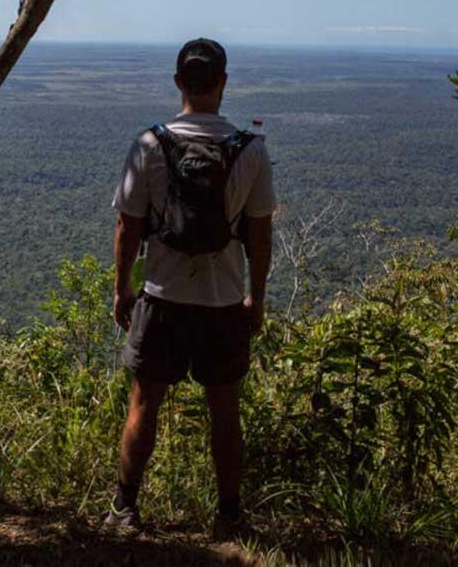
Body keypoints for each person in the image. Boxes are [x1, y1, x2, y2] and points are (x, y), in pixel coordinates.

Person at [103, 38, 275, 539]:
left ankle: (123, 511)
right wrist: (256, 297)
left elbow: (127, 228)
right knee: (225, 411)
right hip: (222, 301)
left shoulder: (149, 145)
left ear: (178, 82)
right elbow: (259, 235)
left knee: (143, 404)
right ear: (223, 82)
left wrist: (122, 291)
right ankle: (228, 517)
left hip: (161, 296)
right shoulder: (250, 151)